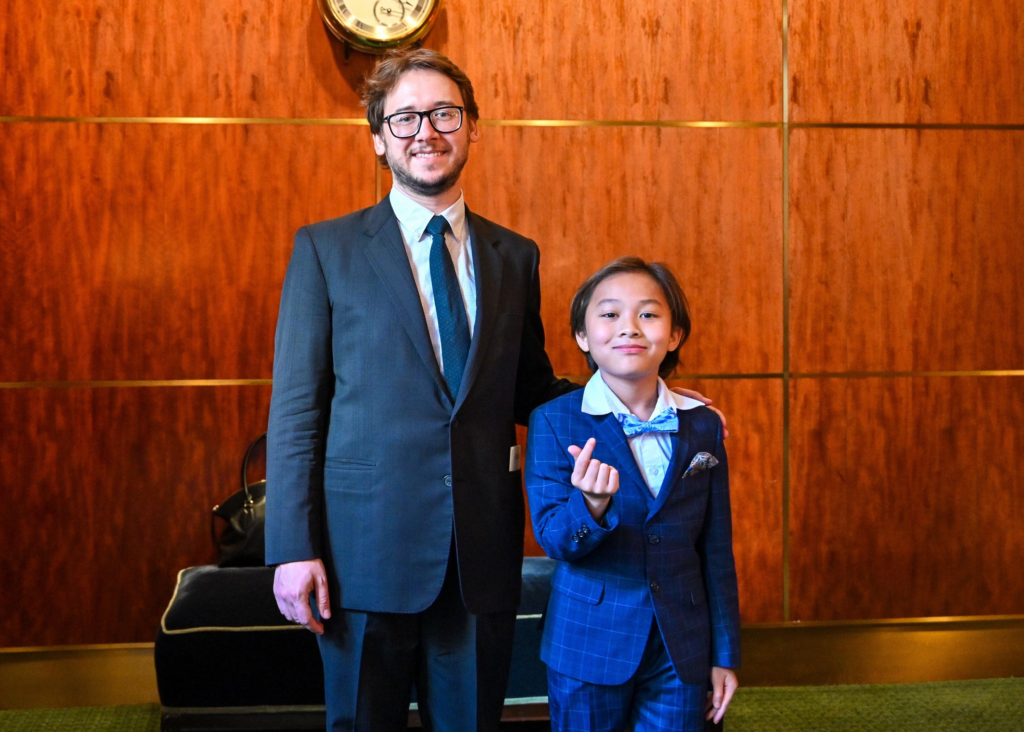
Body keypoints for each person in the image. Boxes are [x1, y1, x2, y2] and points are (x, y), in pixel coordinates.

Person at [266, 48, 724, 732]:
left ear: (473, 127)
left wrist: (647, 397)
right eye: (407, 118)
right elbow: (298, 410)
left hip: (479, 554)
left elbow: (532, 391)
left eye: (445, 113)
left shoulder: (514, 256)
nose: (427, 131)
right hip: (364, 550)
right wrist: (292, 547)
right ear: (378, 137)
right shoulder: (326, 251)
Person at [525, 257, 741, 732]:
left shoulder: (702, 426)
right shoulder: (554, 420)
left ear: (675, 334)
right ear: (583, 337)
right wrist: (592, 505)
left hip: (682, 643)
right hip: (586, 642)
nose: (629, 329)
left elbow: (716, 550)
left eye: (648, 314)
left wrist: (725, 654)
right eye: (608, 315)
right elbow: (554, 542)